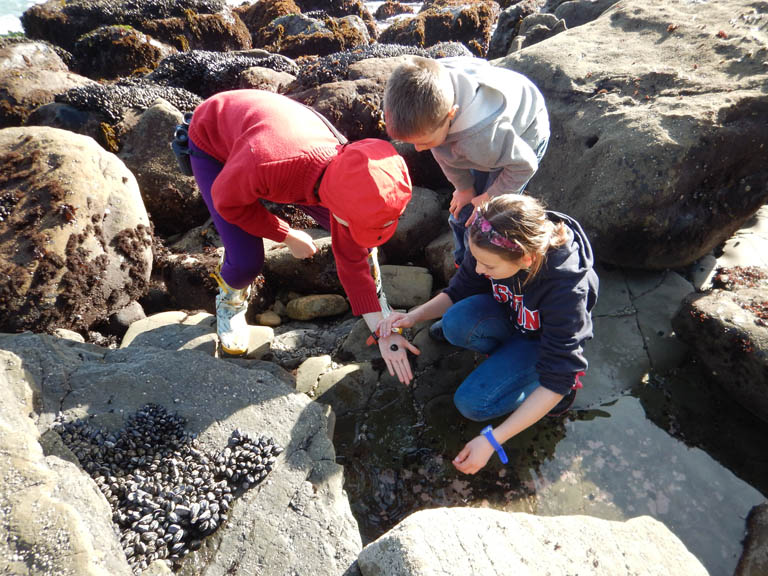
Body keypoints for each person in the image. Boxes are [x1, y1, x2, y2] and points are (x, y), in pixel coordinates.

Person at [186, 89, 419, 382]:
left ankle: (376, 299)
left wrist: (381, 329)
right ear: (337, 208)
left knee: (359, 244)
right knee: (246, 260)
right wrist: (286, 235)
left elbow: (351, 256)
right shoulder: (267, 165)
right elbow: (226, 202)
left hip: (284, 142)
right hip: (214, 136)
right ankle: (230, 302)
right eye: (355, 225)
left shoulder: (355, 172)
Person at [376, 195, 598, 475]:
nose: (479, 269)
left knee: (472, 404)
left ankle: (545, 389)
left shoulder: (566, 289)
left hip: (541, 343)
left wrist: (492, 439)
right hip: (513, 314)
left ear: (527, 257)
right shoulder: (488, 235)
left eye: (489, 267)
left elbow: (560, 375)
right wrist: (413, 316)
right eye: (477, 260)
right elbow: (459, 290)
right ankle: (505, 357)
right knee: (453, 322)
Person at [384, 55, 550, 266]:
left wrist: (490, 196)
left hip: (523, 133)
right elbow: (444, 153)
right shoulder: (432, 89)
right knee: (464, 210)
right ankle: (462, 262)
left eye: (424, 141)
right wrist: (464, 188)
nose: (419, 149)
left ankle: (484, 267)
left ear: (451, 114)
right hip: (486, 140)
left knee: (488, 220)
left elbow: (524, 165)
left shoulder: (480, 138)